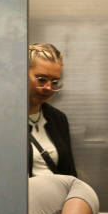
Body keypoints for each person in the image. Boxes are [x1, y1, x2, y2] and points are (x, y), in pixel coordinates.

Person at [28, 44, 76, 177]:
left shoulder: (57, 118)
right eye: (41, 80)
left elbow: (69, 172)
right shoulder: (2, 119)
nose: (49, 88)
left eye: (55, 82)